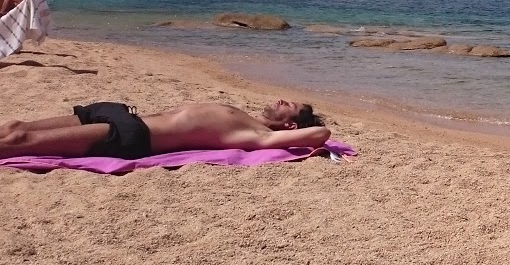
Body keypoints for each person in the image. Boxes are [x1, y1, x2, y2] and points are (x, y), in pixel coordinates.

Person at [0, 99, 331, 160]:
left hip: (133, 136)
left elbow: (321, 135)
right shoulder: (245, 117)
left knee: (21, 140)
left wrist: (300, 133)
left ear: (290, 125)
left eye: (291, 106)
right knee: (16, 127)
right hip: (122, 114)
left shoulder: (260, 137)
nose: (282, 100)